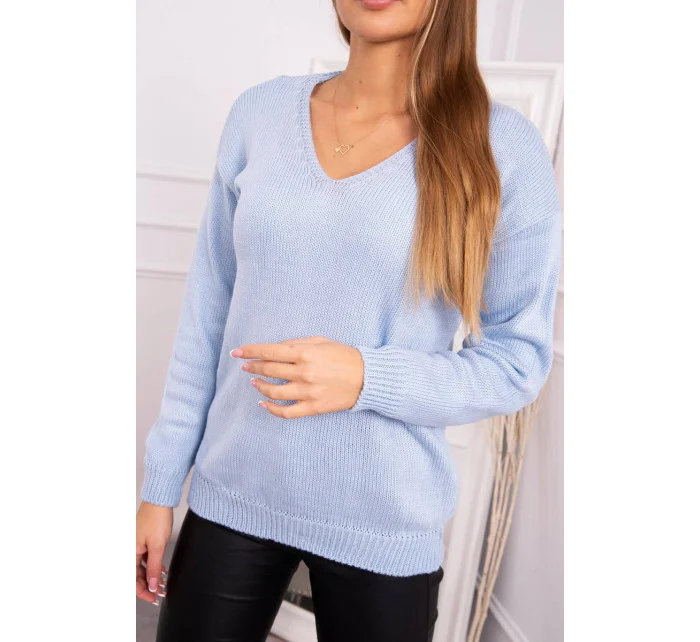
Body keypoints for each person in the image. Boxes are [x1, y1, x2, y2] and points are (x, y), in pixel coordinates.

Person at [136, 0, 562, 640]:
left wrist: (367, 376)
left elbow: (517, 361)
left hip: (384, 519)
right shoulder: (260, 114)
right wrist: (161, 485)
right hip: (234, 492)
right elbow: (207, 313)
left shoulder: (502, 148)